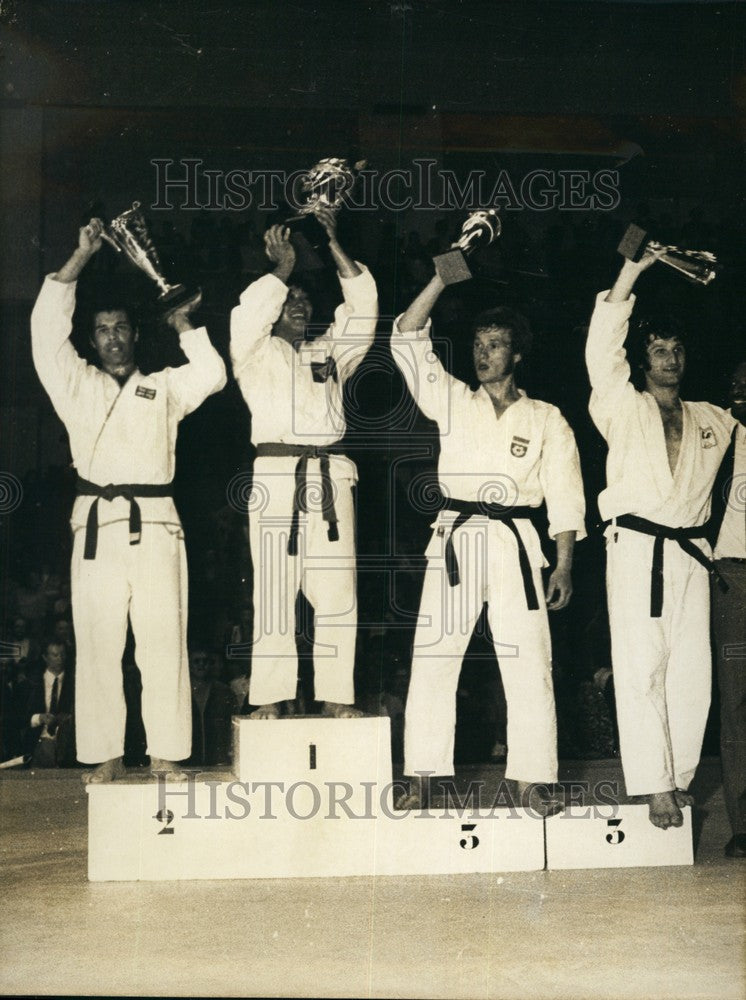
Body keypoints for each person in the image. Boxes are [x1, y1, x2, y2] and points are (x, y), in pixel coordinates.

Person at [30, 218, 227, 782]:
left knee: (164, 640)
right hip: (96, 526)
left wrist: (185, 324)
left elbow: (213, 374)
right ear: (92, 340)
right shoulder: (77, 385)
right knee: (96, 645)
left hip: (157, 526)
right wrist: (80, 255)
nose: (113, 337)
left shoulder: (162, 387)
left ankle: (167, 752)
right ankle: (105, 754)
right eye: (103, 330)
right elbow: (45, 331)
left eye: (121, 328)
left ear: (135, 335)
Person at [391, 271, 586, 812]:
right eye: (477, 345)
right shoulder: (453, 400)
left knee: (528, 659)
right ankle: (423, 775)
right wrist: (437, 278)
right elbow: (406, 336)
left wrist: (563, 565)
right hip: (456, 538)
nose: (483, 353)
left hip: (518, 542)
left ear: (517, 353)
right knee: (434, 656)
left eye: (495, 344)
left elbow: (566, 496)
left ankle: (533, 778)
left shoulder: (547, 418)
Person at [585, 247, 737, 829]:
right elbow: (602, 350)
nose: (669, 359)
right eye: (658, 350)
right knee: (641, 664)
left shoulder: (713, 419)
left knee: (691, 671)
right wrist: (631, 270)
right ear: (643, 360)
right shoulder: (621, 407)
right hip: (635, 549)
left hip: (691, 555)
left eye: (676, 350)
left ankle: (677, 778)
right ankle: (653, 786)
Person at [230, 207, 378, 720]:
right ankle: (270, 698)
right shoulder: (253, 352)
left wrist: (332, 241)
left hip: (331, 477)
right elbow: (247, 314)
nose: (298, 303)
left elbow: (363, 308)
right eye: (289, 299)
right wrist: (283, 269)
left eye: (304, 298)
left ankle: (336, 696)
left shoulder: (330, 351)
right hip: (275, 478)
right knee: (274, 589)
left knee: (338, 591)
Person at [708, 360, 746, 857]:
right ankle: (743, 823)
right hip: (732, 579)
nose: (742, 393)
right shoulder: (716, 434)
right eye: (735, 385)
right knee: (736, 703)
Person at [22, 638, 76, 767]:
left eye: (63, 654)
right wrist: (39, 718)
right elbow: (15, 718)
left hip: (66, 746)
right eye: (55, 655)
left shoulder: (75, 683)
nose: (60, 659)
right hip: (36, 744)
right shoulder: (30, 684)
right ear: (45, 657)